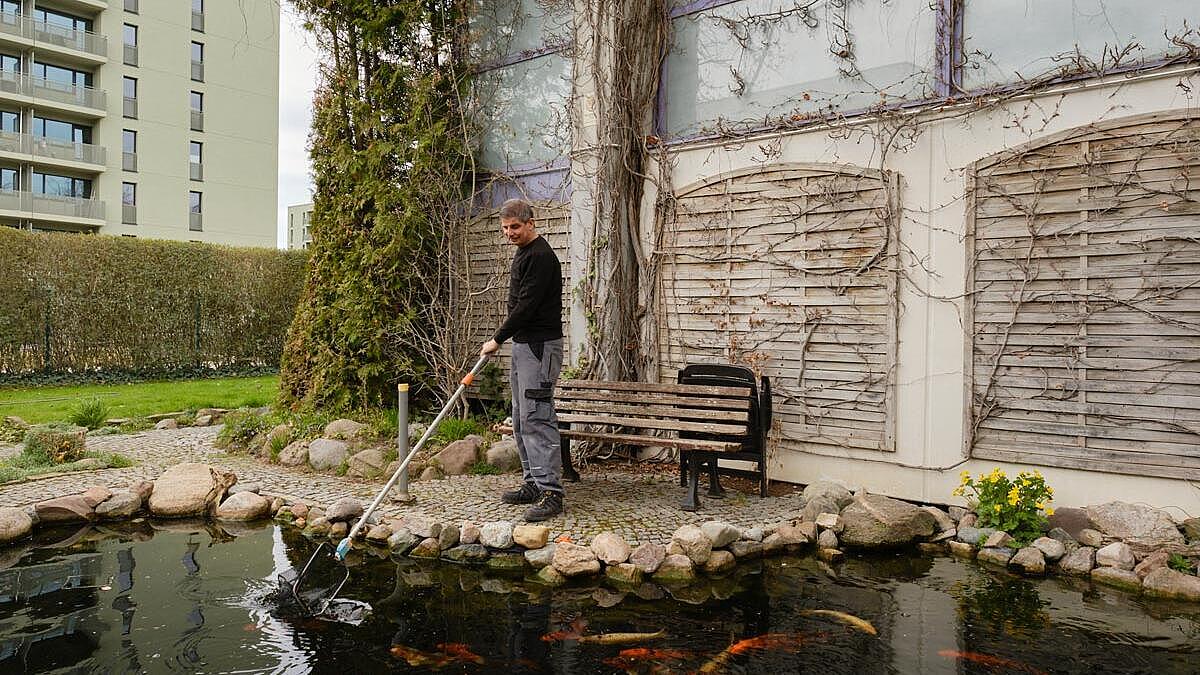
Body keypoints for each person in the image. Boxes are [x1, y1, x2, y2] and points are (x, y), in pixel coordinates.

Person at [480, 198, 565, 522]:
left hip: (540, 348)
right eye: (505, 228)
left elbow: (525, 307)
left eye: (515, 226)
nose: (509, 233)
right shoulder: (524, 254)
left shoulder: (541, 257)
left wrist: (497, 338)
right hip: (524, 346)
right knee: (520, 418)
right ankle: (532, 483)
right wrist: (507, 339)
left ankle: (551, 493)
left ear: (530, 223)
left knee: (537, 417)